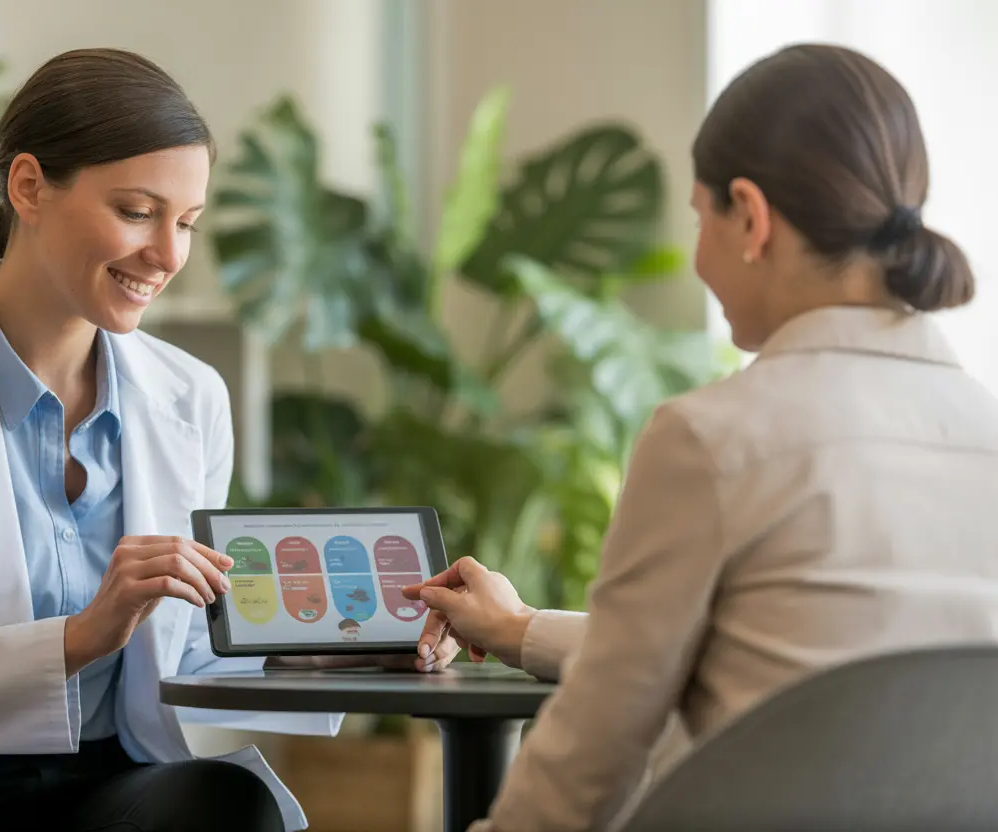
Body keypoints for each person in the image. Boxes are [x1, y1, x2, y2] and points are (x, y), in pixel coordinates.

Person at [0, 48, 457, 832]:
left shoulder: (191, 397)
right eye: (137, 212)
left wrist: (348, 645)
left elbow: (187, 651)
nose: (168, 256)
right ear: (28, 187)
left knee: (233, 808)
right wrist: (78, 638)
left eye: (187, 223)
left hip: (115, 783)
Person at [406, 43, 998, 831]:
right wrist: (519, 630)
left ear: (749, 216)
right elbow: (798, 661)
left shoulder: (713, 440)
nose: (698, 255)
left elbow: (585, 767)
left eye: (700, 217)